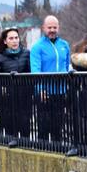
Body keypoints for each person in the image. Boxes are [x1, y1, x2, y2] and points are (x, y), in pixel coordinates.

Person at [29, 15, 70, 143]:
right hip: (44, 92)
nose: (52, 30)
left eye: (54, 27)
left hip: (61, 91)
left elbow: (67, 66)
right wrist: (40, 89)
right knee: (44, 126)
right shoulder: (37, 47)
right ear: (43, 28)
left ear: (58, 28)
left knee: (59, 125)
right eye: (49, 27)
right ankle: (43, 151)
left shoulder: (64, 45)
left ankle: (58, 151)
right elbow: (36, 71)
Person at [0, 26, 31, 141]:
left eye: (16, 38)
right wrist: (2, 89)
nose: (14, 41)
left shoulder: (26, 54)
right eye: (11, 38)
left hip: (24, 98)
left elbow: (30, 74)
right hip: (7, 100)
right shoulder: (0, 57)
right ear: (5, 41)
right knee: (9, 132)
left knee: (25, 131)